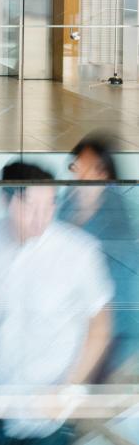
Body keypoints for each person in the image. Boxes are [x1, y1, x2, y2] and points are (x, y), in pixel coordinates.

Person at [0, 162, 113, 445]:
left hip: (47, 415)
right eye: (30, 206)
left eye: (50, 205)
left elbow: (100, 328)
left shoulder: (79, 252)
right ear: (5, 200)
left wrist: (68, 390)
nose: (41, 217)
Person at [60, 133, 139, 381]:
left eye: (86, 167)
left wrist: (123, 355)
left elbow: (124, 296)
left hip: (105, 338)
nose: (78, 173)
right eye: (76, 166)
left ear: (104, 173)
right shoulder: (66, 204)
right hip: (65, 327)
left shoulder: (119, 225)